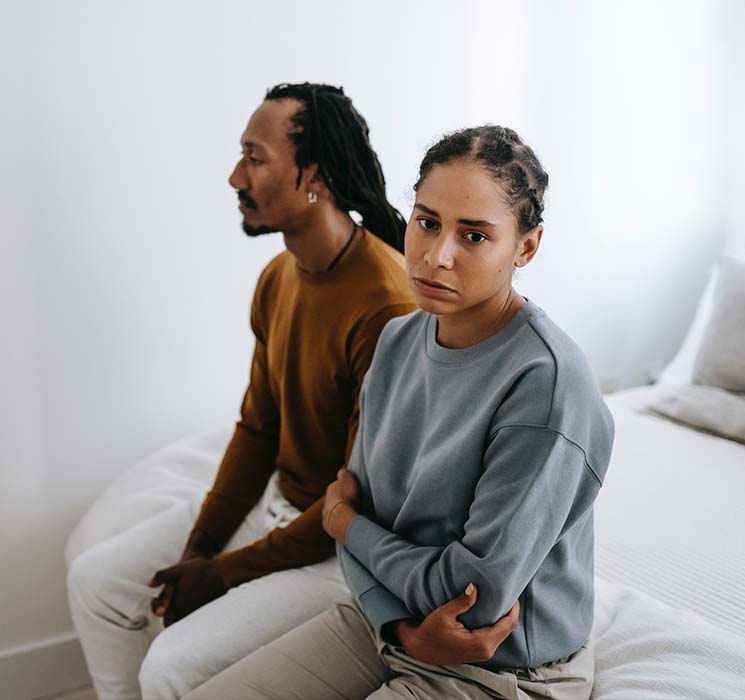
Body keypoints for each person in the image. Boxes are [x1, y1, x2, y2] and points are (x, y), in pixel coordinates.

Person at [183, 125, 615, 700]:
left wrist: (348, 527)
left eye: (475, 236)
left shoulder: (546, 385)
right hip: (388, 624)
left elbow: (474, 594)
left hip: (502, 667)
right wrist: (399, 623)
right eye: (427, 222)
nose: (437, 256)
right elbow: (355, 504)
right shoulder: (397, 342)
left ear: (526, 247)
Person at [65, 83, 417, 700]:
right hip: (279, 507)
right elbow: (258, 429)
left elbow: (361, 500)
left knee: (169, 667)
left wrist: (221, 574)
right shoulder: (279, 277)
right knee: (97, 583)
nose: (235, 176)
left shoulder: (385, 305)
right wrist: (199, 547)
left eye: (255, 158)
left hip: (337, 548)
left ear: (316, 176)